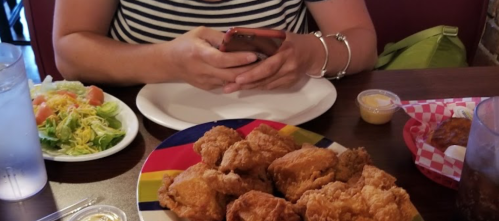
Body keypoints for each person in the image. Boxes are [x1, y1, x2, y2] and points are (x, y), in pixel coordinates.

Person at [53, 0, 377, 93]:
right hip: (139, 139)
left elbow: (363, 41)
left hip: (285, 127)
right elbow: (69, 50)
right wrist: (167, 61)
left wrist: (310, 52)